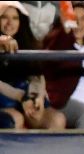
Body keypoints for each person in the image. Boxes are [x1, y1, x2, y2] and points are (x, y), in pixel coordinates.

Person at [0, 2, 66, 130]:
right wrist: (21, 97)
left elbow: (36, 75)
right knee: (15, 120)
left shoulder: (28, 42)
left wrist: (38, 96)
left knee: (57, 120)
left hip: (24, 96)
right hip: (6, 99)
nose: (10, 22)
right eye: (4, 17)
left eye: (15, 18)